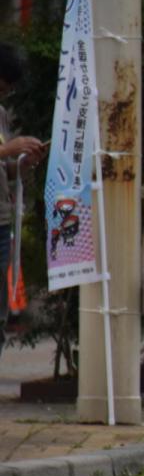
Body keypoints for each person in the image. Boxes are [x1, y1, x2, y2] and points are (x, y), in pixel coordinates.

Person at [0, 44, 43, 359]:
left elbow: (4, 167)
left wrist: (20, 163)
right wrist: (6, 150)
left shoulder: (0, 114)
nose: (5, 95)